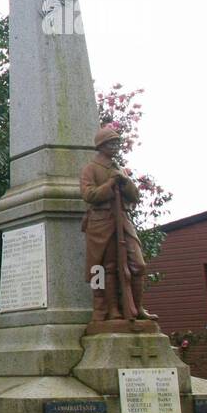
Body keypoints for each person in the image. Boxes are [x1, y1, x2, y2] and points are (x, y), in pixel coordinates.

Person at [79, 124, 157, 322]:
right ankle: (112, 310)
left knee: (138, 264)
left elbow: (134, 196)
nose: (116, 146)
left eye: (117, 143)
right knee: (108, 267)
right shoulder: (91, 169)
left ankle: (137, 308)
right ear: (101, 145)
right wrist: (110, 184)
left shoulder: (117, 168)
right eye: (111, 143)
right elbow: (89, 195)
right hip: (102, 222)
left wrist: (124, 181)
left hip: (122, 220)